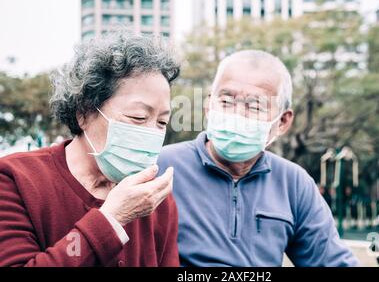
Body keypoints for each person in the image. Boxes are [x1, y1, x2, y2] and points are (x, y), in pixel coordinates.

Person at [158, 50, 359, 267]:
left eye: (255, 106)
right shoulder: (160, 168)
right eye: (226, 101)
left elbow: (331, 261)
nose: (237, 115)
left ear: (282, 121)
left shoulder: (293, 183)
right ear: (208, 105)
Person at [0, 32, 180, 267]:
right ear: (84, 112)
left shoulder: (154, 199)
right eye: (138, 117)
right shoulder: (16, 179)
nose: (151, 132)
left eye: (162, 122)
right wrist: (111, 219)